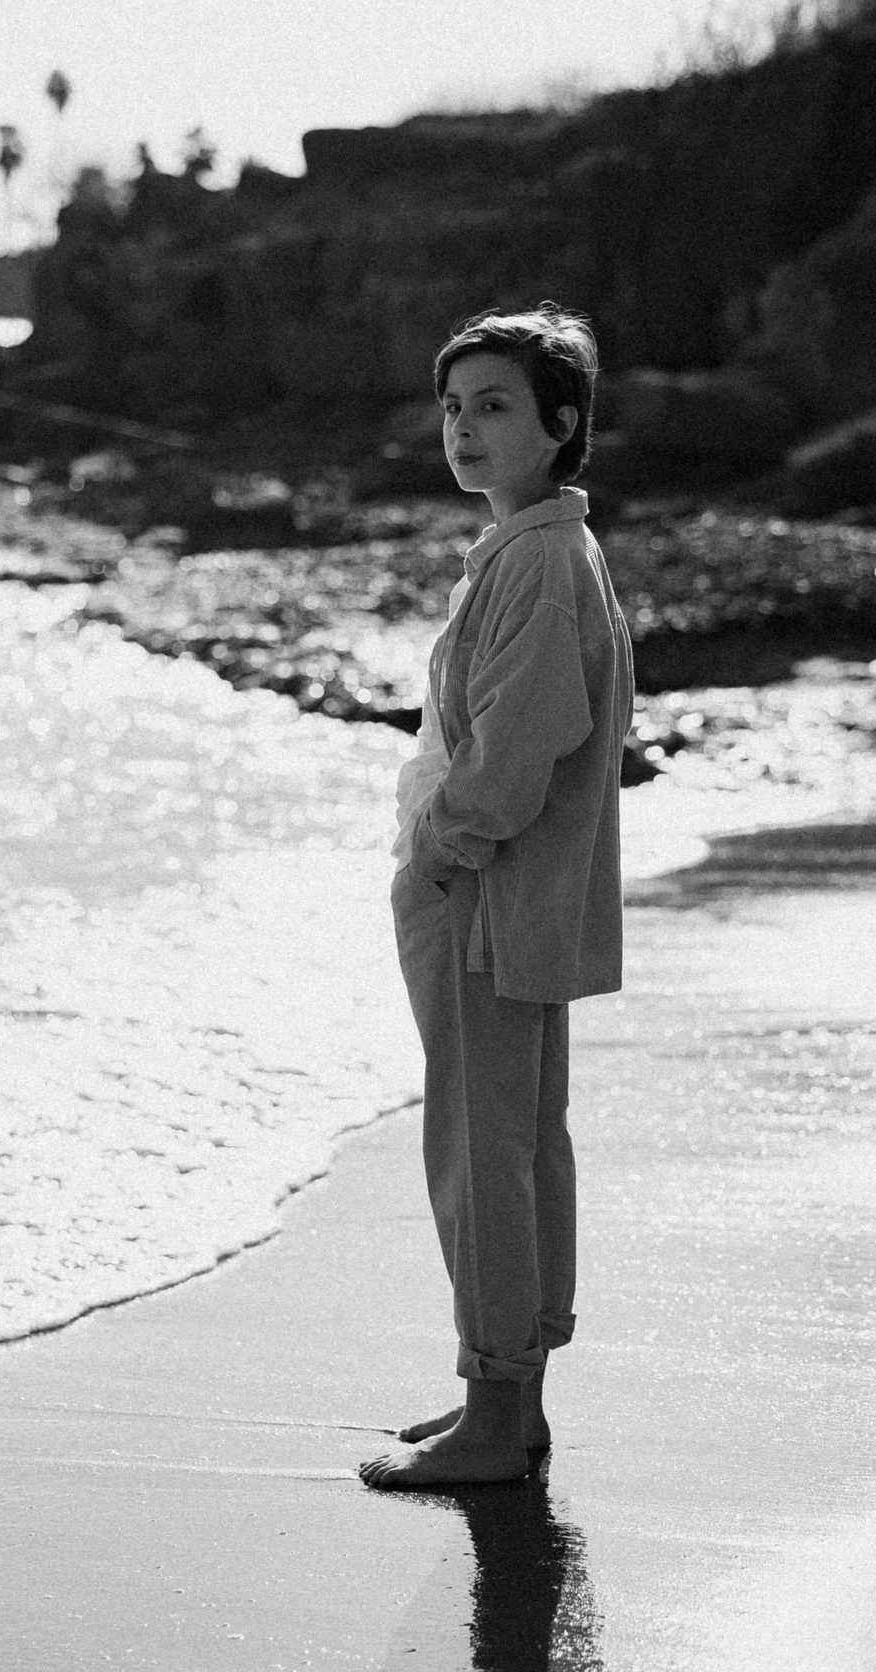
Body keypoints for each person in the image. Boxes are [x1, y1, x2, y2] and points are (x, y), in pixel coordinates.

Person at [360, 304, 634, 1489]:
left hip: (487, 897)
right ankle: (506, 1401)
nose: (464, 429)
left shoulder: (537, 562)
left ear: (560, 425)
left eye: (496, 406)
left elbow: (518, 749)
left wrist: (437, 852)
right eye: (455, 406)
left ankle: (493, 1413)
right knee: (515, 1147)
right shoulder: (541, 549)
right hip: (517, 898)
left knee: (484, 1153)